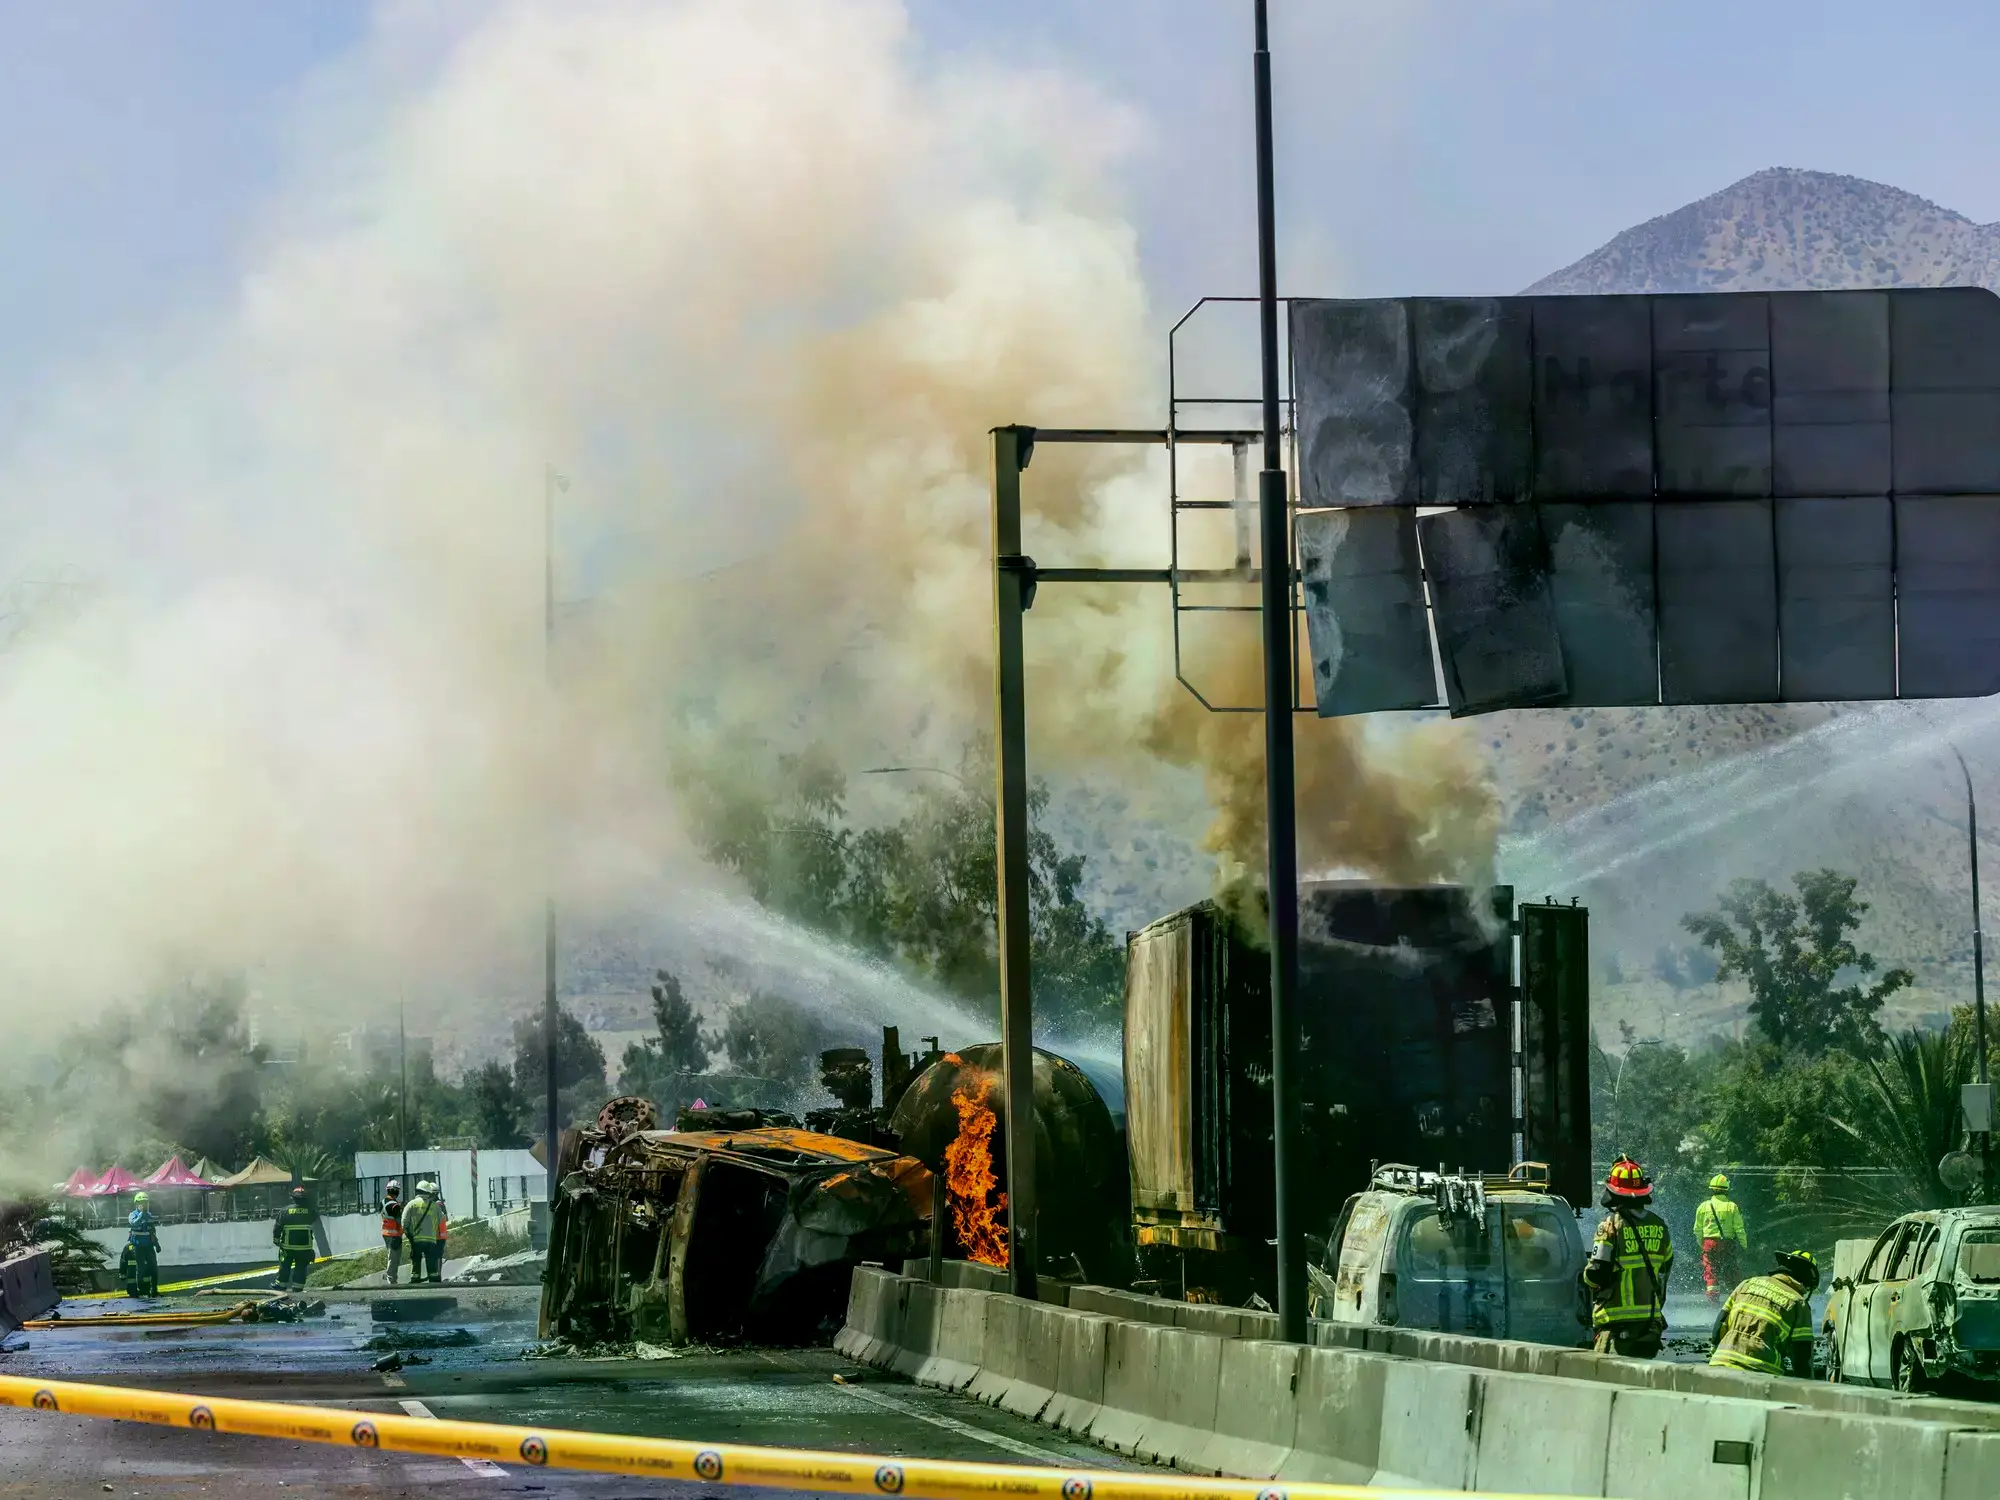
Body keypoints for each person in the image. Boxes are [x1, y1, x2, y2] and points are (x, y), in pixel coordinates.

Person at [1582, 1155, 1675, 1359]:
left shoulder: (1610, 1227)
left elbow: (1595, 1274)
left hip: (1615, 1324)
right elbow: (1665, 1269)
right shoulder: (1660, 1226)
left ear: (1613, 1192)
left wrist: (1584, 1277)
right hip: (1649, 1323)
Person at [1709, 1249, 1819, 1378]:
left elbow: (1720, 1323)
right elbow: (1802, 1356)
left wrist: (1716, 1354)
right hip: (1762, 1373)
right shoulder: (1799, 1304)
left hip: (1720, 1364)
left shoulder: (1746, 1284)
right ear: (1806, 1280)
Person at [1695, 1173, 1750, 1301]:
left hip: (1708, 1243)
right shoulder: (1732, 1206)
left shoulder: (1703, 1206)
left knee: (1710, 1271)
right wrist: (1744, 1245)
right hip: (1727, 1243)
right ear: (1726, 1190)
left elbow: (1697, 1229)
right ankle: (1736, 1298)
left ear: (1712, 1189)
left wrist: (1701, 1243)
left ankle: (1713, 1300)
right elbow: (1739, 1228)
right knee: (1731, 1270)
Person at [272, 1185, 319, 1293]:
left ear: (293, 1198)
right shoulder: (311, 1211)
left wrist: (276, 1239)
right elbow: (313, 1219)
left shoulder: (285, 1211)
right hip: (305, 1246)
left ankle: (281, 1285)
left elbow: (278, 1226)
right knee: (301, 1267)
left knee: (285, 1265)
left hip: (288, 1246)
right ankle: (298, 1287)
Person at [402, 1179, 445, 1285]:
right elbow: (441, 1220)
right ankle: (433, 1280)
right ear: (428, 1192)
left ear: (417, 1191)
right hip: (431, 1240)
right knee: (431, 1261)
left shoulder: (411, 1204)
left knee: (416, 1259)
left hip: (416, 1239)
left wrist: (409, 1234)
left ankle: (415, 1279)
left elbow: (404, 1222)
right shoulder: (435, 1206)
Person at [125, 1191, 161, 1297]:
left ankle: (154, 1289)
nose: (144, 1205)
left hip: (149, 1246)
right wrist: (141, 1215)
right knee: (140, 1269)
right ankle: (140, 1290)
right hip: (138, 1246)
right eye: (142, 1203)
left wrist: (157, 1244)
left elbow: (151, 1231)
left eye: (146, 1203)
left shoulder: (149, 1215)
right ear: (137, 1204)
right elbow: (133, 1223)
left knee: (154, 1267)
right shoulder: (132, 1215)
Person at [379, 1180, 405, 1286]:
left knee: (391, 1256)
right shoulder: (395, 1205)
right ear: (396, 1191)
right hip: (394, 1234)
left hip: (386, 1232)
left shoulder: (382, 1202)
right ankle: (392, 1279)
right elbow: (400, 1220)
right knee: (394, 1258)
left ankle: (390, 1277)